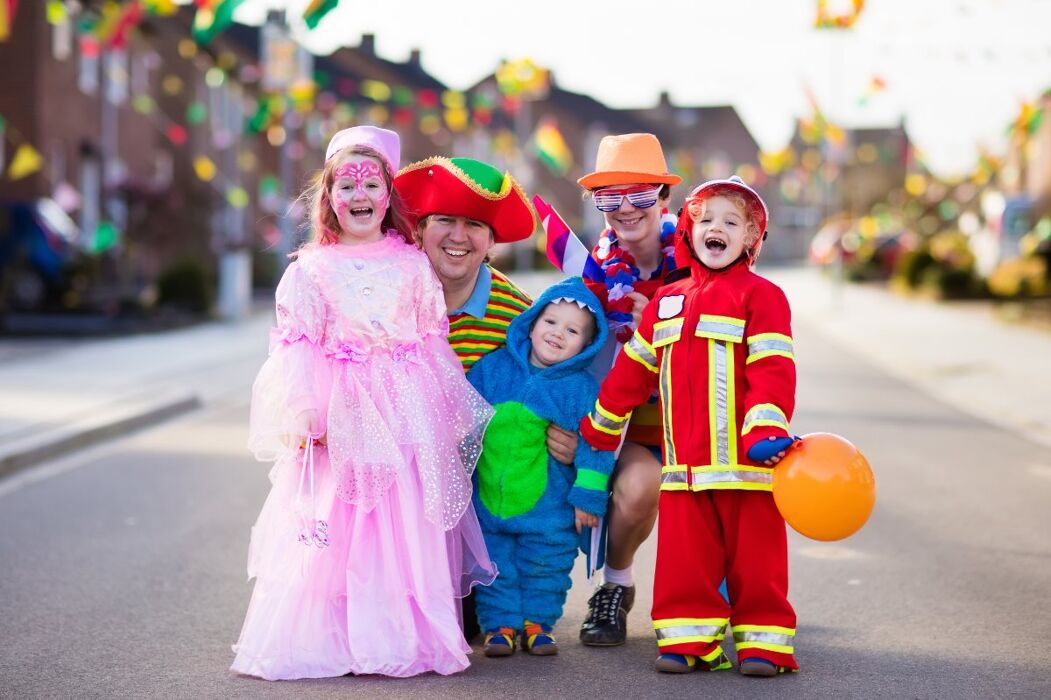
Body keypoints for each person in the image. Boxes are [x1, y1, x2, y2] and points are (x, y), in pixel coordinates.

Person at [231, 126, 497, 680]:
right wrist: (303, 407)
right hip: (340, 410)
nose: (359, 196)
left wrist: (444, 415)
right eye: (345, 186)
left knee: (401, 525)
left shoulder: (411, 265)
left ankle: (397, 633)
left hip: (405, 410)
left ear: (388, 195)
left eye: (371, 184)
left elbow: (430, 342)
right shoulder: (309, 270)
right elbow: (296, 345)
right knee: (344, 522)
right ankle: (337, 634)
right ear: (327, 199)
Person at [580, 176, 800, 676]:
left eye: (730, 221)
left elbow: (773, 367)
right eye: (705, 220)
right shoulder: (667, 302)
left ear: (751, 238)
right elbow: (633, 371)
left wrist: (767, 426)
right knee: (686, 565)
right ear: (688, 232)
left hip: (749, 467)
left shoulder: (763, 297)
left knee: (757, 565)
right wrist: (602, 422)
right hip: (684, 471)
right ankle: (687, 641)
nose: (715, 229)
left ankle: (765, 645)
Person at [394, 156, 577, 639]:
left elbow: (559, 392)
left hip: (481, 504)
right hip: (399, 491)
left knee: (468, 621)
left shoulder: (520, 320)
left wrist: (572, 434)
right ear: (419, 229)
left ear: (491, 240)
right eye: (444, 221)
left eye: (474, 224)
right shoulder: (391, 297)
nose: (459, 235)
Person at [465, 277, 615, 657]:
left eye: (572, 330)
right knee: (493, 562)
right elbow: (463, 417)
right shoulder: (491, 370)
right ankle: (499, 626)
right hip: (489, 502)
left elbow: (596, 444)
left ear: (587, 345)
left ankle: (538, 623)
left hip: (550, 508)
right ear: (531, 323)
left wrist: (589, 497)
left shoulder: (579, 389)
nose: (558, 334)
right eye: (550, 322)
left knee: (546, 563)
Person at [572, 133, 683, 646]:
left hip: (689, 418)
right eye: (609, 198)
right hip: (622, 419)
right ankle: (616, 585)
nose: (625, 209)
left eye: (638, 195)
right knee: (638, 489)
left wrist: (669, 325)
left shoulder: (700, 257)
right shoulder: (597, 269)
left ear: (664, 201)